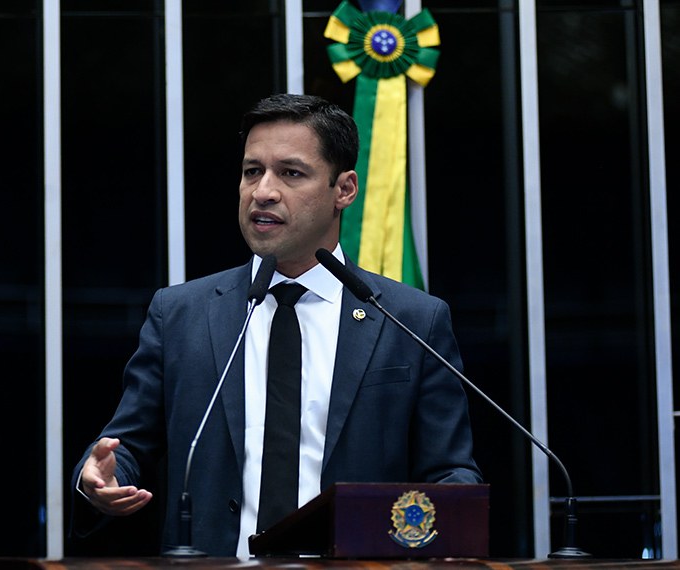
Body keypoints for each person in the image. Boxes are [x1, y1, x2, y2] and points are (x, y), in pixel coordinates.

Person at [71, 93, 481, 557]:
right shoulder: (181, 315)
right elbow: (126, 446)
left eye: (291, 173)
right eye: (252, 171)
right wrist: (99, 477)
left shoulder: (411, 320)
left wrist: (448, 513)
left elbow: (450, 473)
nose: (263, 191)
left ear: (344, 190)